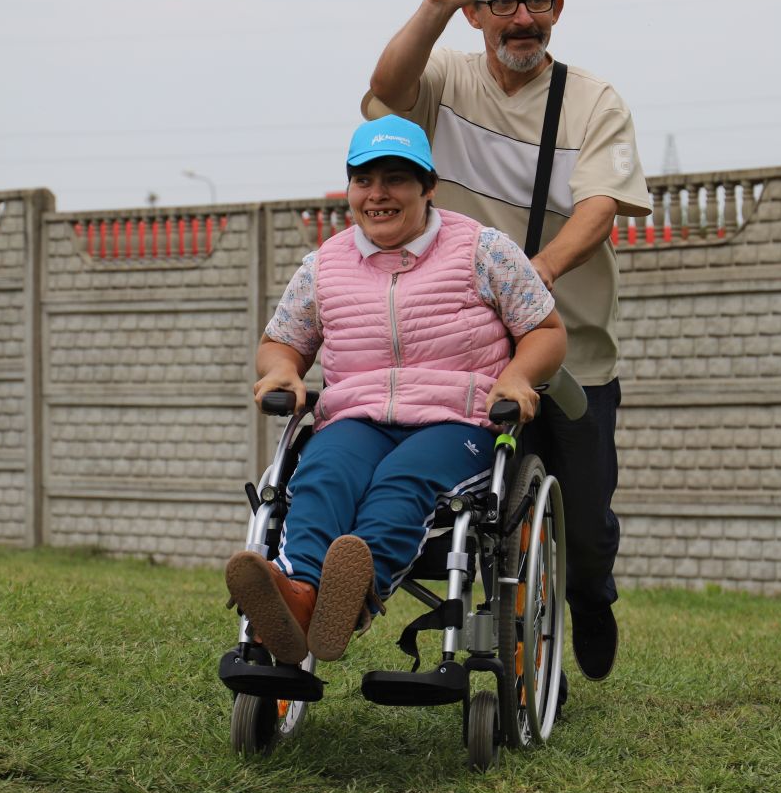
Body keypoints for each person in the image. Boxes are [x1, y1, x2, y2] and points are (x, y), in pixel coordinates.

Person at [361, 0, 650, 683]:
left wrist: (535, 274)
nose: (521, 16)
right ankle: (503, 645)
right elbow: (387, 94)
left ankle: (590, 594)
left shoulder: (594, 102)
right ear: (476, 13)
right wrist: (431, 5)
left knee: (586, 524)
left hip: (570, 352)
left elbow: (600, 208)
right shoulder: (448, 81)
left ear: (558, 8)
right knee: (481, 515)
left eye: (537, 1)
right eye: (502, 3)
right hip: (467, 359)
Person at [226, 114, 566, 666]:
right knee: (320, 475)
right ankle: (299, 595)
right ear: (350, 188)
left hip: (456, 422)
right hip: (356, 420)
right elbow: (280, 343)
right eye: (364, 180)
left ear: (428, 187)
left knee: (401, 481)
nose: (377, 195)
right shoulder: (323, 266)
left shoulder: (484, 250)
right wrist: (284, 369)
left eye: (396, 179)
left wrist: (518, 376)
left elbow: (546, 331)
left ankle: (349, 598)